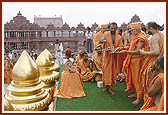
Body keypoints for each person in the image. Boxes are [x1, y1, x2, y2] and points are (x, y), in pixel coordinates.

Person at [119, 22, 149, 104]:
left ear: (136, 29)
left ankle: (139, 97)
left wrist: (126, 51)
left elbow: (138, 51)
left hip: (138, 61)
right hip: (132, 61)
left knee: (137, 79)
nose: (131, 32)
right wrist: (122, 48)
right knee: (133, 78)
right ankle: (136, 93)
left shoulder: (141, 38)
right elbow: (130, 46)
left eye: (132, 30)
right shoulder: (135, 37)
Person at [138, 22, 164, 109]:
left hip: (153, 63)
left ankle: (148, 102)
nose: (146, 31)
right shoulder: (160, 35)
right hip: (157, 62)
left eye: (147, 29)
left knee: (148, 81)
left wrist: (143, 52)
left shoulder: (155, 37)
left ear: (151, 28)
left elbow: (156, 51)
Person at [100, 22, 123, 95]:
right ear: (109, 28)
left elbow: (121, 46)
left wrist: (115, 49)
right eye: (111, 28)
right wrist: (103, 41)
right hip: (106, 56)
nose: (113, 30)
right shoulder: (106, 34)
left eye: (114, 28)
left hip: (114, 56)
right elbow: (101, 40)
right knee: (106, 71)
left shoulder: (119, 37)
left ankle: (110, 88)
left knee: (112, 72)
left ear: (116, 28)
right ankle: (106, 86)